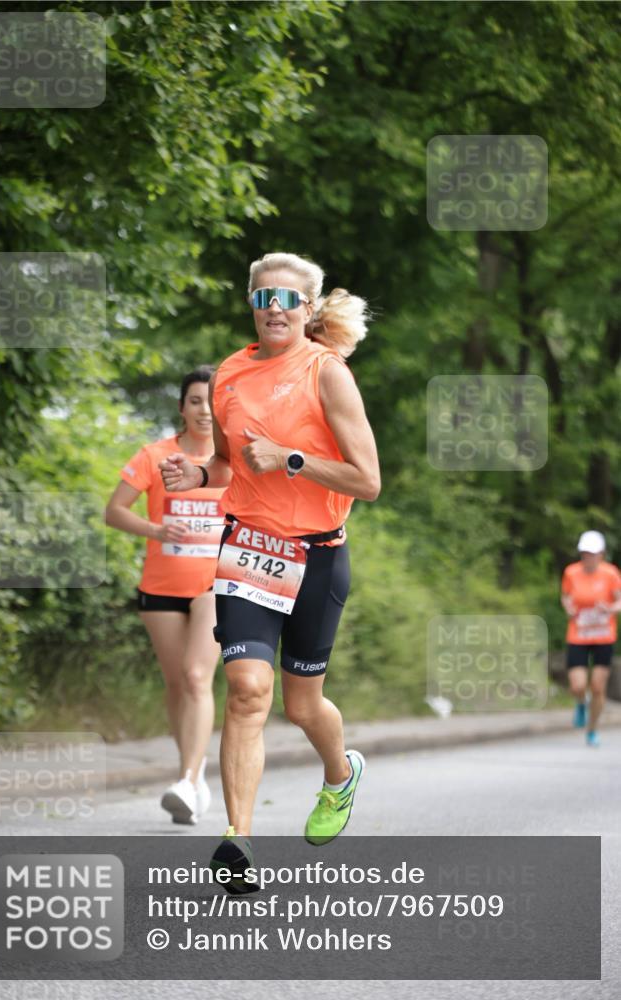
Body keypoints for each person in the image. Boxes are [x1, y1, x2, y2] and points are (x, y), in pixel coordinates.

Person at [160, 251, 381, 885]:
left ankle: (340, 775)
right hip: (249, 548)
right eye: (264, 299)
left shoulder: (327, 373)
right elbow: (232, 464)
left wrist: (290, 458)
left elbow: (367, 481)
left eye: (288, 300)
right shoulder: (229, 374)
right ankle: (239, 841)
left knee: (303, 705)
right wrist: (201, 473)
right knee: (249, 691)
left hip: (317, 554)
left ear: (308, 311)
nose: (275, 309)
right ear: (252, 305)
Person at [105, 366, 226, 822]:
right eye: (195, 401)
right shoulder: (156, 455)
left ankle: (189, 781)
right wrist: (156, 528)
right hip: (161, 585)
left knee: (197, 677)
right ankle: (190, 777)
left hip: (216, 583)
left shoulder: (229, 463)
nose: (204, 410)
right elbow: (114, 511)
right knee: (176, 684)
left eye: (211, 401)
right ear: (181, 407)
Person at [561, 530, 621, 747]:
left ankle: (592, 730)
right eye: (585, 553)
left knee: (597, 686)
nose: (589, 558)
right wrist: (568, 608)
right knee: (578, 685)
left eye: (593, 554)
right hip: (578, 634)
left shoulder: (611, 574)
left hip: (603, 635)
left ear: (601, 554)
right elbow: (566, 597)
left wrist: (610, 608)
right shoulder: (571, 573)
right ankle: (580, 703)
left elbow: (619, 602)